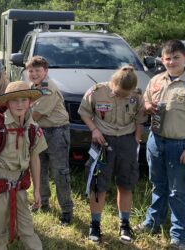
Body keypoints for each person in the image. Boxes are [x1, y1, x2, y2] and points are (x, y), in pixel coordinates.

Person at [136, 40, 185, 250]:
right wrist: (147, 106)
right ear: (162, 59)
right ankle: (153, 222)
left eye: (176, 57)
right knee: (157, 185)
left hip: (180, 144)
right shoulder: (156, 80)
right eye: (167, 58)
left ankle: (179, 235)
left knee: (178, 191)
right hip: (155, 140)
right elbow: (144, 102)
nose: (171, 62)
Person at [0, 81, 47, 250]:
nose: (19, 104)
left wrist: (36, 189)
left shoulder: (33, 128)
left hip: (20, 183)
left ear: (30, 102)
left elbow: (35, 159)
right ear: (7, 103)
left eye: (23, 100)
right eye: (14, 100)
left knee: (27, 226)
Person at [78, 65, 147, 244]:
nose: (121, 96)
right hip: (102, 140)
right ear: (112, 83)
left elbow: (140, 119)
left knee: (126, 184)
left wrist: (136, 140)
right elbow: (84, 112)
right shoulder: (97, 91)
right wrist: (94, 130)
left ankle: (124, 224)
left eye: (126, 94)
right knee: (98, 185)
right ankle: (95, 224)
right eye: (117, 92)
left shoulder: (137, 95)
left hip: (127, 141)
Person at [26, 56, 74, 225]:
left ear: (45, 71)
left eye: (38, 70)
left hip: (56, 132)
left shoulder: (47, 88)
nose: (34, 74)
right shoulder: (33, 86)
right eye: (31, 70)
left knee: (60, 172)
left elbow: (35, 114)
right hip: (40, 130)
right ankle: (43, 202)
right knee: (39, 169)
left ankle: (67, 209)